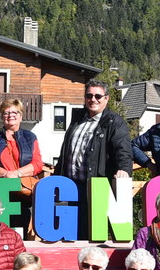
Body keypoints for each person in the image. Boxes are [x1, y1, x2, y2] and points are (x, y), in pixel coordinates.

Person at [55, 79, 132, 238]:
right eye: (89, 95)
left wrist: (124, 169)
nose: (93, 99)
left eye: (98, 96)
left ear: (106, 98)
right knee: (67, 235)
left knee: (90, 235)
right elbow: (65, 153)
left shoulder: (115, 122)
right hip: (69, 186)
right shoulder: (77, 119)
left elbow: (122, 149)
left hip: (94, 186)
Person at [0, 98, 44, 231]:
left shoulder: (30, 137)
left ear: (21, 116)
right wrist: (6, 174)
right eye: (6, 112)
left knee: (20, 230)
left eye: (15, 112)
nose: (10, 115)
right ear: (2, 117)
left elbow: (37, 163)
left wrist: (17, 173)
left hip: (22, 193)